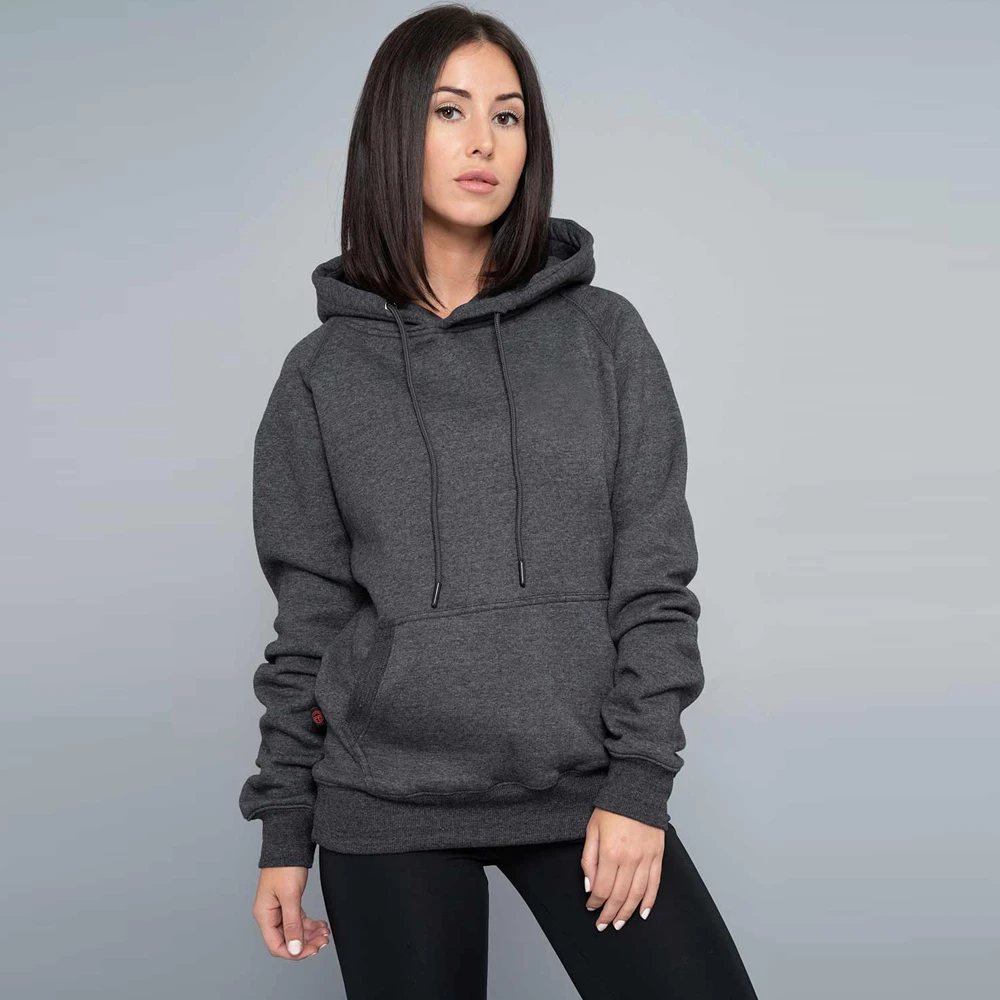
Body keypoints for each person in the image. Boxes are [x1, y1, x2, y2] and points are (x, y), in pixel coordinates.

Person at [238, 6, 758, 998]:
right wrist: (284, 829)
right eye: (450, 110)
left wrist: (639, 785)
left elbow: (654, 580)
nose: (483, 141)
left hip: (584, 788)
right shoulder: (320, 376)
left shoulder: (604, 337)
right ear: (394, 132)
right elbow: (307, 626)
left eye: (507, 116)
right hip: (385, 804)